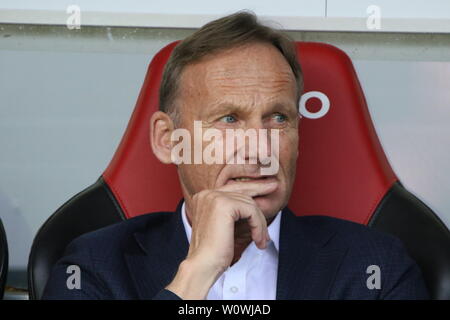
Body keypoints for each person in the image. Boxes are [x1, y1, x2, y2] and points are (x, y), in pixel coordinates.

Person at [42, 11, 429, 300]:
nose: (260, 148)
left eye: (278, 118)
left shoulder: (374, 267)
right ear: (168, 140)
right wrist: (196, 273)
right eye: (228, 119)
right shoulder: (93, 266)